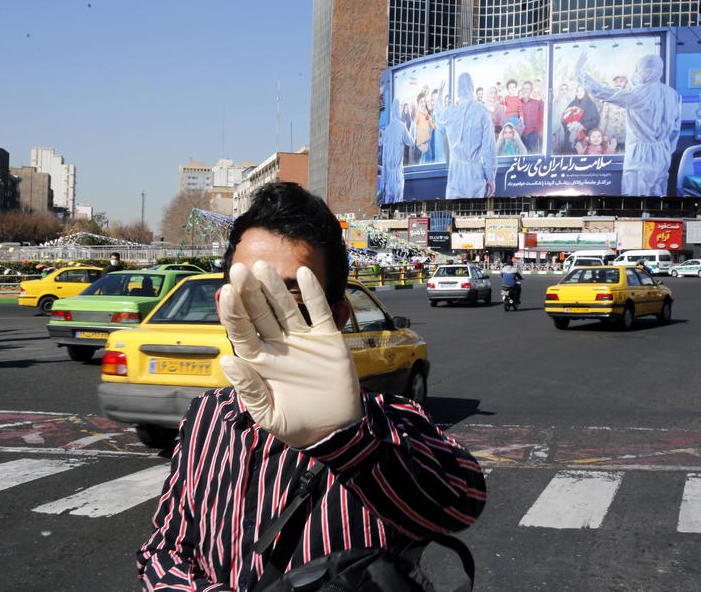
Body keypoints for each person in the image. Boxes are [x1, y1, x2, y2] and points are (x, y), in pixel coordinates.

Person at [136, 182, 486, 589]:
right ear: (223, 304)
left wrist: (344, 441)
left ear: (335, 316)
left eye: (288, 299)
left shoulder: (386, 422)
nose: (261, 314)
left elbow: (459, 504)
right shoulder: (208, 415)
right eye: (246, 294)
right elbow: (165, 546)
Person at [576, 52, 681, 196]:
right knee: (658, 198)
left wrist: (580, 73)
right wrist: (665, 149)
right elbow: (675, 129)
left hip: (640, 157)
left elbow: (601, 91)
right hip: (662, 155)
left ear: (645, 72)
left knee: (635, 200)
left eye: (638, 70)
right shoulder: (672, 94)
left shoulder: (636, 94)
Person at [434, 71, 497, 199]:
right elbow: (488, 149)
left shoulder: (451, 112)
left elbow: (438, 112)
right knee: (474, 215)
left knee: (454, 215)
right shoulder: (482, 111)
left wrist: (440, 93)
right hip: (475, 175)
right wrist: (490, 177)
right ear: (472, 87)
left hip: (455, 174)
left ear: (458, 90)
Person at [379, 98, 416, 204]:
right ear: (398, 110)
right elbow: (411, 142)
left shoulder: (388, 129)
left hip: (388, 174)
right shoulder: (401, 127)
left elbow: (384, 156)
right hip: (397, 172)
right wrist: (413, 129)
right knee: (398, 201)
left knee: (388, 201)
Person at [519, 80, 544, 154]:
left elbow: (546, 112)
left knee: (533, 156)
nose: (525, 90)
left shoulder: (537, 103)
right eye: (524, 88)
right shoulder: (517, 102)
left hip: (532, 135)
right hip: (520, 135)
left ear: (531, 90)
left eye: (528, 89)